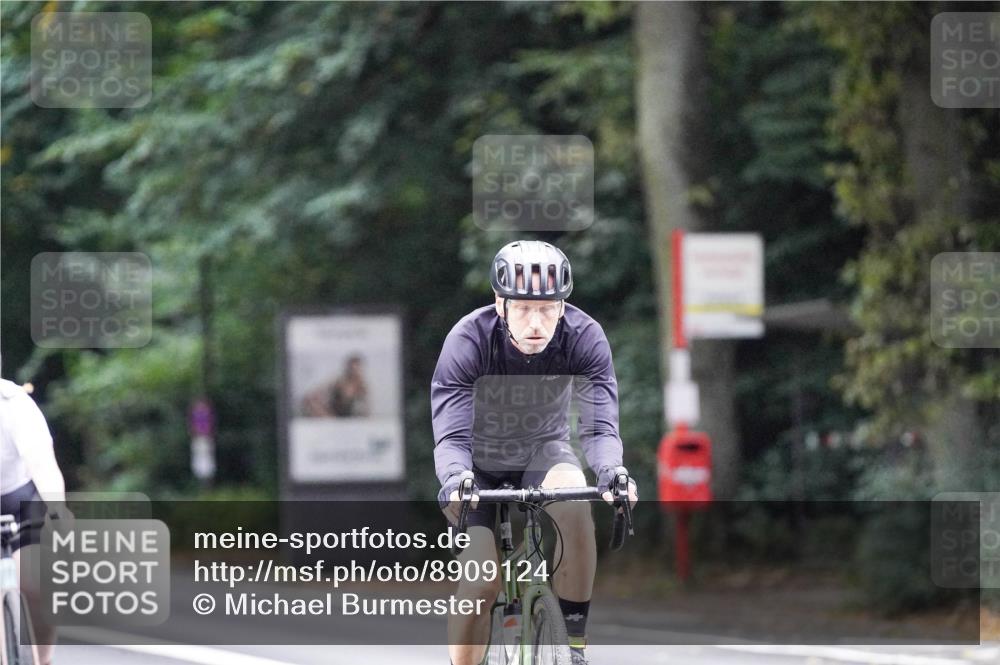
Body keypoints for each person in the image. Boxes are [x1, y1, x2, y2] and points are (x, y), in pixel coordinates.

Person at [432, 240, 638, 665]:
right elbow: (451, 439)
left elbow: (599, 426)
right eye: (523, 308)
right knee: (480, 586)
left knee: (578, 503)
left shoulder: (584, 336)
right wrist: (455, 479)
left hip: (544, 454)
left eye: (547, 308)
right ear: (500, 303)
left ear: (563, 306)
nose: (536, 322)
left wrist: (612, 472)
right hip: (476, 469)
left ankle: (573, 646)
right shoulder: (469, 340)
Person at [0, 378, 69, 665]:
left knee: (38, 586)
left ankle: (43, 659)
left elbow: (42, 464)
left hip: (20, 502)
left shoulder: (14, 403)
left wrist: (57, 510)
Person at [301, 354, 371, 418]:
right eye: (352, 368)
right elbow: (319, 390)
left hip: (348, 417)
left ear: (360, 369)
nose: (353, 371)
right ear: (348, 368)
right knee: (310, 400)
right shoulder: (338, 381)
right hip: (332, 414)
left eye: (356, 368)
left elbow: (366, 408)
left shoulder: (362, 386)